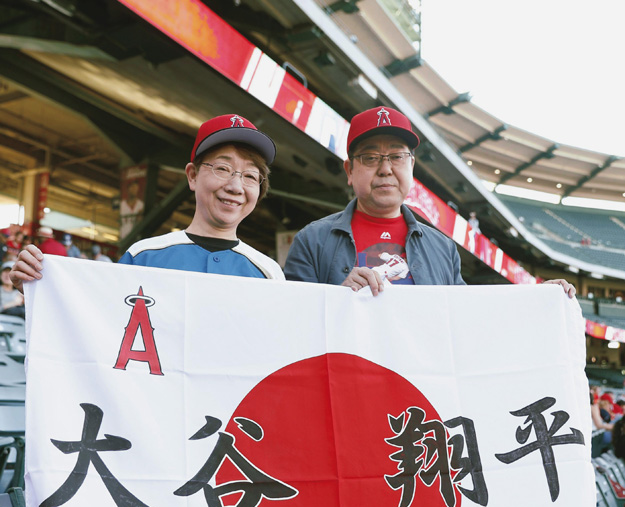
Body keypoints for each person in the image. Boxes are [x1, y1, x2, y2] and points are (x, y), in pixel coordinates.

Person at [284, 106, 575, 298]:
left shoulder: (443, 249)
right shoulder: (312, 241)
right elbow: (292, 327)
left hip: (419, 387)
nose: (385, 169)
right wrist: (336, 300)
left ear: (412, 167)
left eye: (397, 157)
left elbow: (466, 320)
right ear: (350, 171)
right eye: (371, 158)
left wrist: (536, 301)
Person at [10, 114, 284, 290]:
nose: (236, 186)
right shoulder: (143, 256)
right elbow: (96, 324)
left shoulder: (269, 274)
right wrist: (37, 288)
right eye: (222, 169)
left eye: (250, 175)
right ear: (192, 176)